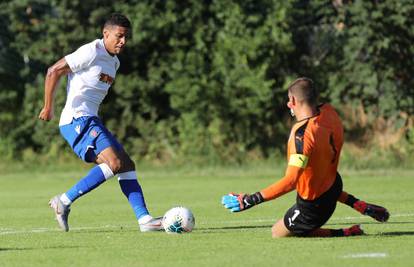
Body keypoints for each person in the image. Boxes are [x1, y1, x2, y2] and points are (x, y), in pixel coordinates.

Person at [38, 13, 163, 232]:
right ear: (106, 34)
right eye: (119, 36)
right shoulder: (91, 51)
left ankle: (145, 221)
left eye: (126, 37)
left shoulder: (114, 62)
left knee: (126, 164)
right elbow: (54, 71)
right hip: (77, 119)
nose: (123, 41)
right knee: (114, 164)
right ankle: (64, 201)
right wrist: (48, 107)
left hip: (91, 120)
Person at [221, 77, 389, 237]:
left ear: (293, 101)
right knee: (319, 177)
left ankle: (346, 232)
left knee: (278, 232)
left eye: (289, 100)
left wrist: (250, 200)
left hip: (314, 206)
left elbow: (291, 181)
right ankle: (358, 204)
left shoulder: (301, 136)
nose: (288, 104)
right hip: (334, 185)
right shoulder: (329, 112)